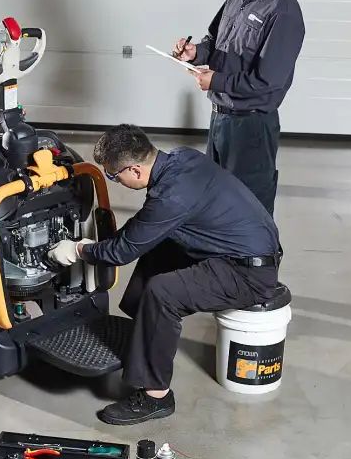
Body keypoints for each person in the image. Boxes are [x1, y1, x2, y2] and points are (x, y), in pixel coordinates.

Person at [46, 124, 284, 425]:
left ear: (134, 170)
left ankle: (155, 396)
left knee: (163, 293)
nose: (113, 180)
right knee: (159, 247)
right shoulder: (183, 158)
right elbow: (145, 228)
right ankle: (146, 335)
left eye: (113, 175)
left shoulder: (171, 197)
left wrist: (78, 250)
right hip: (241, 250)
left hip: (248, 274)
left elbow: (122, 251)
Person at [173, 0, 305, 216]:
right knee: (215, 202)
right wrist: (195, 52)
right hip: (221, 121)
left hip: (252, 128)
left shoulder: (282, 11)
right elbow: (214, 41)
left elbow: (266, 81)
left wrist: (216, 81)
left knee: (249, 209)